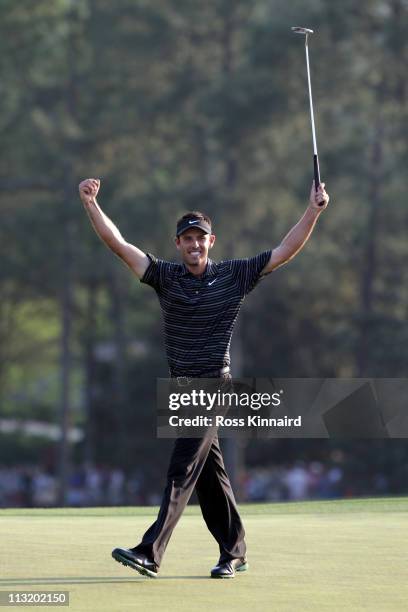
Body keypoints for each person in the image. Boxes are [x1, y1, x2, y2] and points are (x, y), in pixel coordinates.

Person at [78, 178, 329, 579]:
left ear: (212, 242)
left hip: (213, 384)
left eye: (201, 238)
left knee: (181, 470)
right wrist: (91, 204)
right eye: (187, 239)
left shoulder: (234, 275)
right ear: (178, 244)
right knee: (210, 477)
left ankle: (150, 552)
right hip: (181, 389)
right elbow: (119, 244)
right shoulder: (164, 276)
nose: (194, 245)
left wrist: (313, 211)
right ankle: (236, 551)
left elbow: (285, 250)